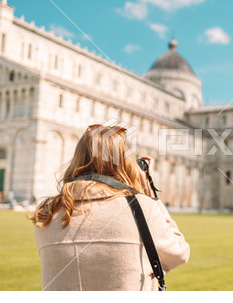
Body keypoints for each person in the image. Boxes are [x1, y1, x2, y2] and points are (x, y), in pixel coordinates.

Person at [29, 124, 190, 291]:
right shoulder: (143, 208)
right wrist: (150, 196)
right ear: (125, 163)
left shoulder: (46, 212)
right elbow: (179, 253)